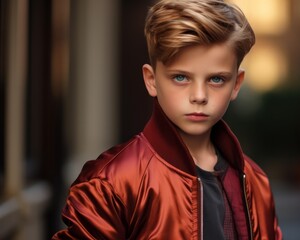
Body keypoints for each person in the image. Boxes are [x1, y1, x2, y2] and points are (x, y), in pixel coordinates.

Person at [52, 0, 282, 239]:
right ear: (151, 80)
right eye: (181, 77)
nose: (199, 96)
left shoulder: (255, 182)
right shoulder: (111, 183)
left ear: (236, 84)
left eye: (216, 80)